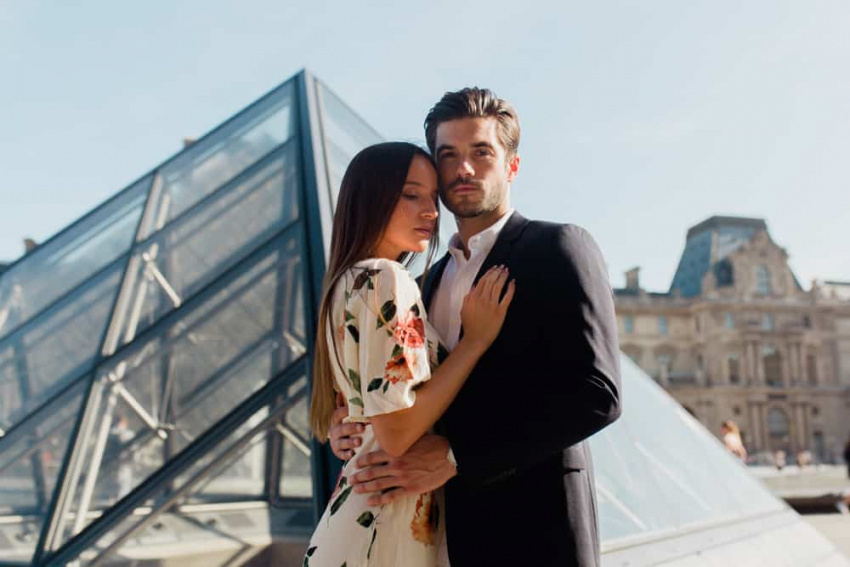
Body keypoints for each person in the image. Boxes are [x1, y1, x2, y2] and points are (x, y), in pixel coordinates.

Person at [329, 88, 622, 566]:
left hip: (532, 533)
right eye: (448, 156)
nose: (463, 168)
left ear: (512, 165)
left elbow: (597, 394)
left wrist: (454, 456)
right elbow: (406, 395)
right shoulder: (419, 281)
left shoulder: (559, 247)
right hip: (436, 538)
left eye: (480, 152)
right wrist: (345, 425)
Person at [305, 141, 515, 567]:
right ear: (371, 198)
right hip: (386, 530)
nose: (432, 212)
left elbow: (356, 413)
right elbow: (398, 434)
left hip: (359, 523)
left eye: (433, 198)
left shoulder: (344, 283)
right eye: (410, 194)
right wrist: (474, 342)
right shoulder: (387, 279)